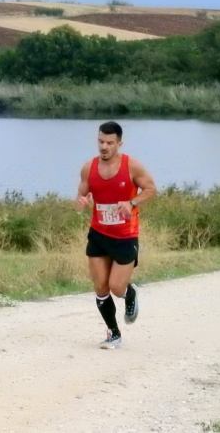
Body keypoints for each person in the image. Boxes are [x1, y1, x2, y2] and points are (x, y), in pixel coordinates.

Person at [76, 121, 157, 349]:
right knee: (100, 287)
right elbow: (79, 199)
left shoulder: (132, 166)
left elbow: (151, 189)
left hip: (125, 236)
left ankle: (129, 293)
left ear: (119, 143)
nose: (104, 147)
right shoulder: (88, 168)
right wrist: (81, 203)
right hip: (98, 234)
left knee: (116, 287)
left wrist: (132, 203)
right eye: (101, 141)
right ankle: (114, 334)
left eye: (110, 143)